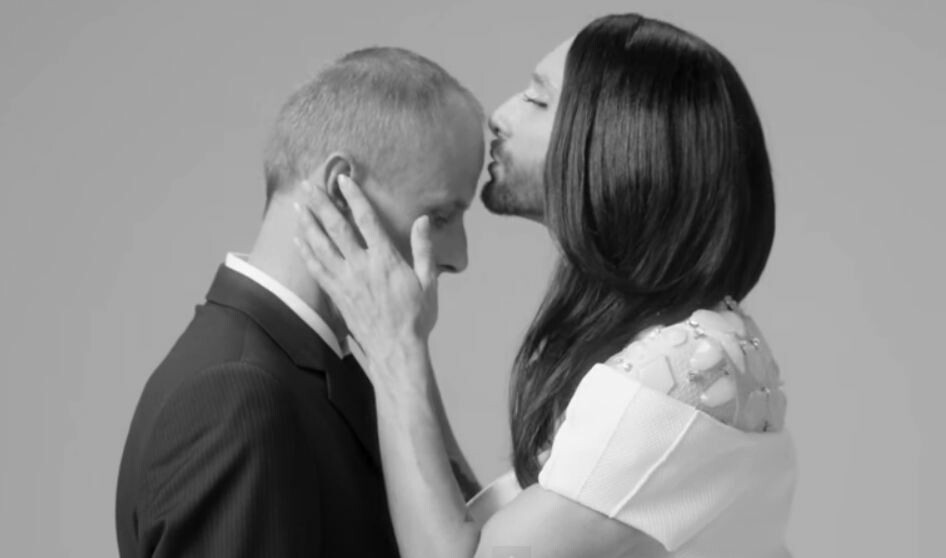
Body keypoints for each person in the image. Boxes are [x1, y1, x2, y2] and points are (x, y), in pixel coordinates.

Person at [295, 13, 795, 558]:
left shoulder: (682, 374)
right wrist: (401, 343)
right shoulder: (691, 349)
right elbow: (482, 528)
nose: (500, 116)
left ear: (616, 142)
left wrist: (396, 348)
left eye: (538, 100)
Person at [115, 47, 485, 557]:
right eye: (441, 216)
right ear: (340, 190)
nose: (459, 257)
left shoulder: (330, 370)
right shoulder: (237, 398)